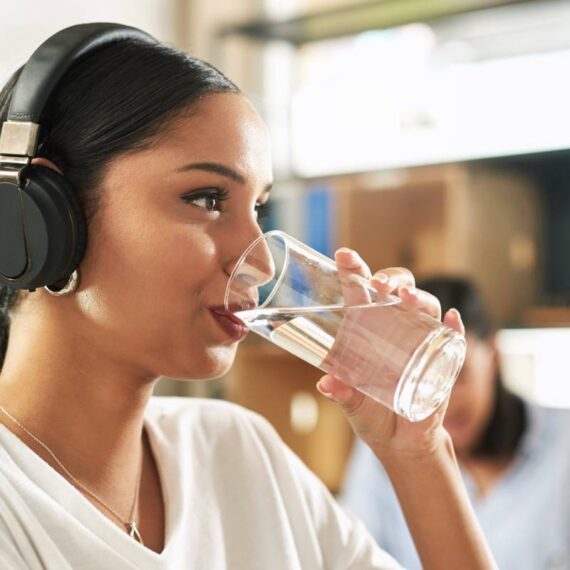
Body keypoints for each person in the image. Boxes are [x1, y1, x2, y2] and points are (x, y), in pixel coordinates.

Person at [0, 24, 495, 569]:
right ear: (40, 217)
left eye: (259, 209)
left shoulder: (240, 451)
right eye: (207, 199)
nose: (258, 261)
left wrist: (418, 454)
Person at [341, 277, 570, 570]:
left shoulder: (563, 443)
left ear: (494, 354)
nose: (439, 400)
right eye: (419, 379)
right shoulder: (384, 448)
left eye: (456, 373)